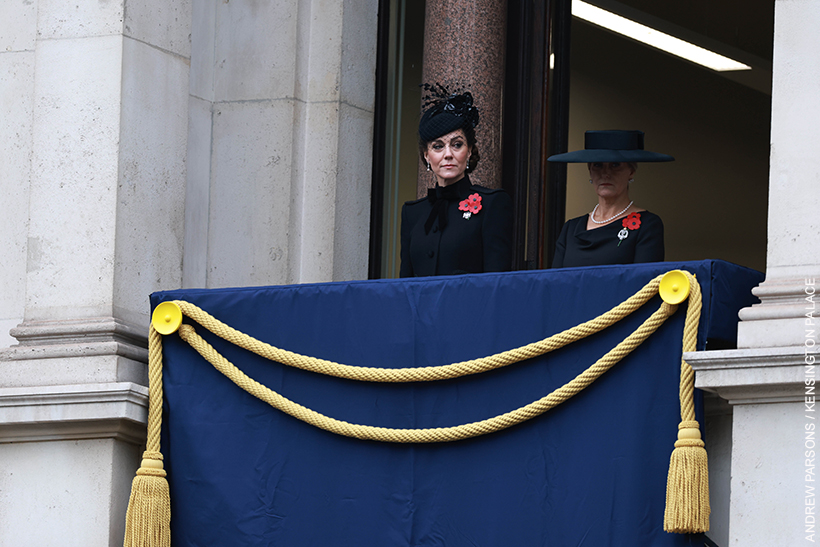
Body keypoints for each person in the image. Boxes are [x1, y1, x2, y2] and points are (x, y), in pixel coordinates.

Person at [399, 85, 513, 277]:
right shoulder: (412, 213)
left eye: (457, 145)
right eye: (438, 146)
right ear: (426, 156)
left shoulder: (493, 204)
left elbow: (496, 282)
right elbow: (405, 283)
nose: (448, 154)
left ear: (468, 151)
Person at [547, 130, 673, 268]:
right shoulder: (571, 228)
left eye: (615, 165)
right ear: (590, 171)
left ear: (631, 171)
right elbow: (555, 281)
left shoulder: (647, 225)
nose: (606, 173)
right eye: (598, 165)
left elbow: (645, 284)